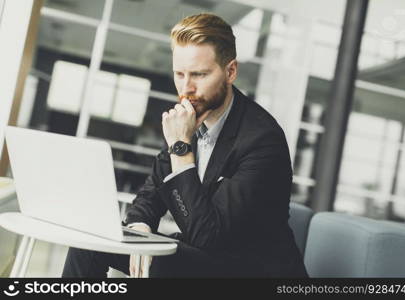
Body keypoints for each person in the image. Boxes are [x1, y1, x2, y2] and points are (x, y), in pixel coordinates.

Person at [62, 13, 308, 278]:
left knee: (161, 265)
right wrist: (139, 229)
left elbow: (208, 237)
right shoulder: (189, 120)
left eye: (199, 74)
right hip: (201, 259)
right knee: (91, 241)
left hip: (245, 272)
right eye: (180, 74)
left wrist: (181, 147)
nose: (186, 88)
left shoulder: (262, 140)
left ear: (230, 71)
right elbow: (149, 196)